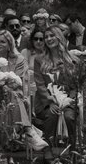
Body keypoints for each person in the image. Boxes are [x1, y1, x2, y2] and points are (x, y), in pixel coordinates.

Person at [0, 31, 47, 150]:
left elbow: (19, 82)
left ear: (10, 44)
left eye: (2, 42)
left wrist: (5, 88)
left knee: (12, 97)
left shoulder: (19, 59)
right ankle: (28, 131)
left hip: (14, 98)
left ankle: (5, 140)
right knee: (12, 97)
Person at [33, 25, 77, 155]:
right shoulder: (39, 59)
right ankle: (48, 149)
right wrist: (50, 101)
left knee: (69, 117)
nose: (48, 39)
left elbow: (75, 85)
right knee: (52, 115)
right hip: (45, 102)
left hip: (68, 101)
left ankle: (72, 150)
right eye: (46, 37)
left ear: (59, 37)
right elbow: (40, 84)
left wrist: (68, 100)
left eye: (52, 36)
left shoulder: (72, 60)